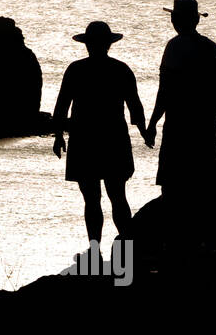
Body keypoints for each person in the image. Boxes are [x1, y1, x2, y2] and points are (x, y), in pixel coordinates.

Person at [53, 21, 148, 244]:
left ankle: (95, 249)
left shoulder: (76, 69)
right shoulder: (120, 69)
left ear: (87, 44)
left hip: (84, 139)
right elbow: (135, 107)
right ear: (109, 44)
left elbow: (61, 106)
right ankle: (126, 245)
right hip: (114, 139)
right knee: (118, 196)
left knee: (92, 200)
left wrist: (58, 135)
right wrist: (145, 131)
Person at [143, 0, 216, 197]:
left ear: (174, 19)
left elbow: (165, 91)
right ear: (196, 20)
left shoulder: (174, 47)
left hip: (178, 127)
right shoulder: (212, 48)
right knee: (204, 187)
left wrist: (152, 123)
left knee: (173, 188)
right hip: (205, 127)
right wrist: (209, 117)